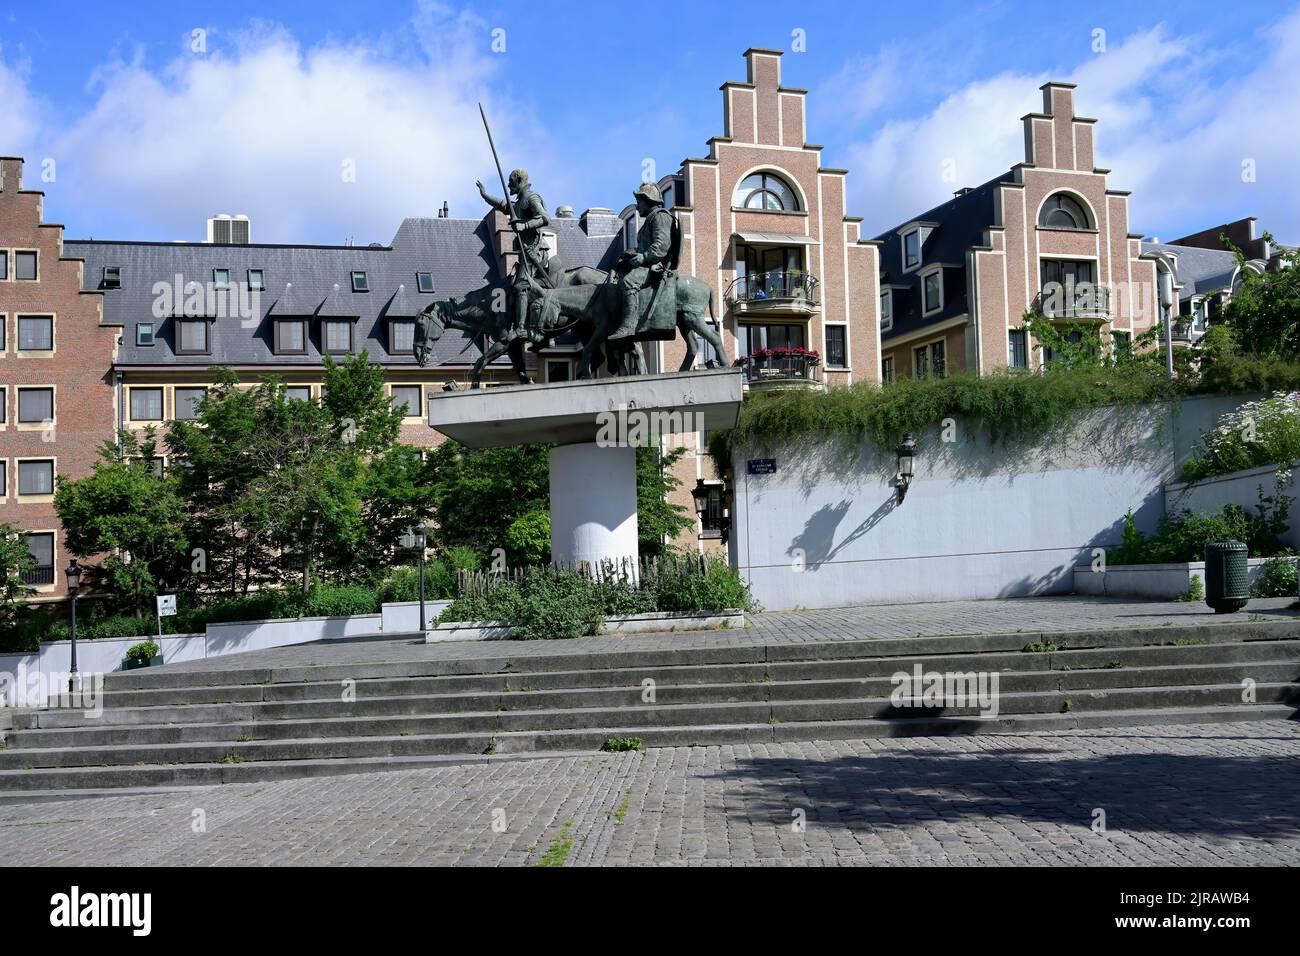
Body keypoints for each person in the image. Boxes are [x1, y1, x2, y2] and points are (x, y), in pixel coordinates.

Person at [477, 169, 551, 343]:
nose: (509, 185)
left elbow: (546, 218)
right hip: (525, 252)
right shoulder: (518, 203)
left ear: (519, 181)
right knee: (512, 287)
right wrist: (485, 196)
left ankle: (521, 328)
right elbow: (503, 205)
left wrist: (524, 227)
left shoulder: (531, 198)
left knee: (520, 287)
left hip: (535, 251)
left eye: (511, 182)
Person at [612, 182, 674, 341]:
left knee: (629, 281)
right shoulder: (651, 219)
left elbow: (662, 246)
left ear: (649, 201)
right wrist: (630, 254)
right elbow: (645, 246)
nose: (637, 206)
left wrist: (643, 257)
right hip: (646, 262)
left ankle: (628, 326)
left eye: (639, 202)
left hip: (654, 266)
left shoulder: (661, 216)